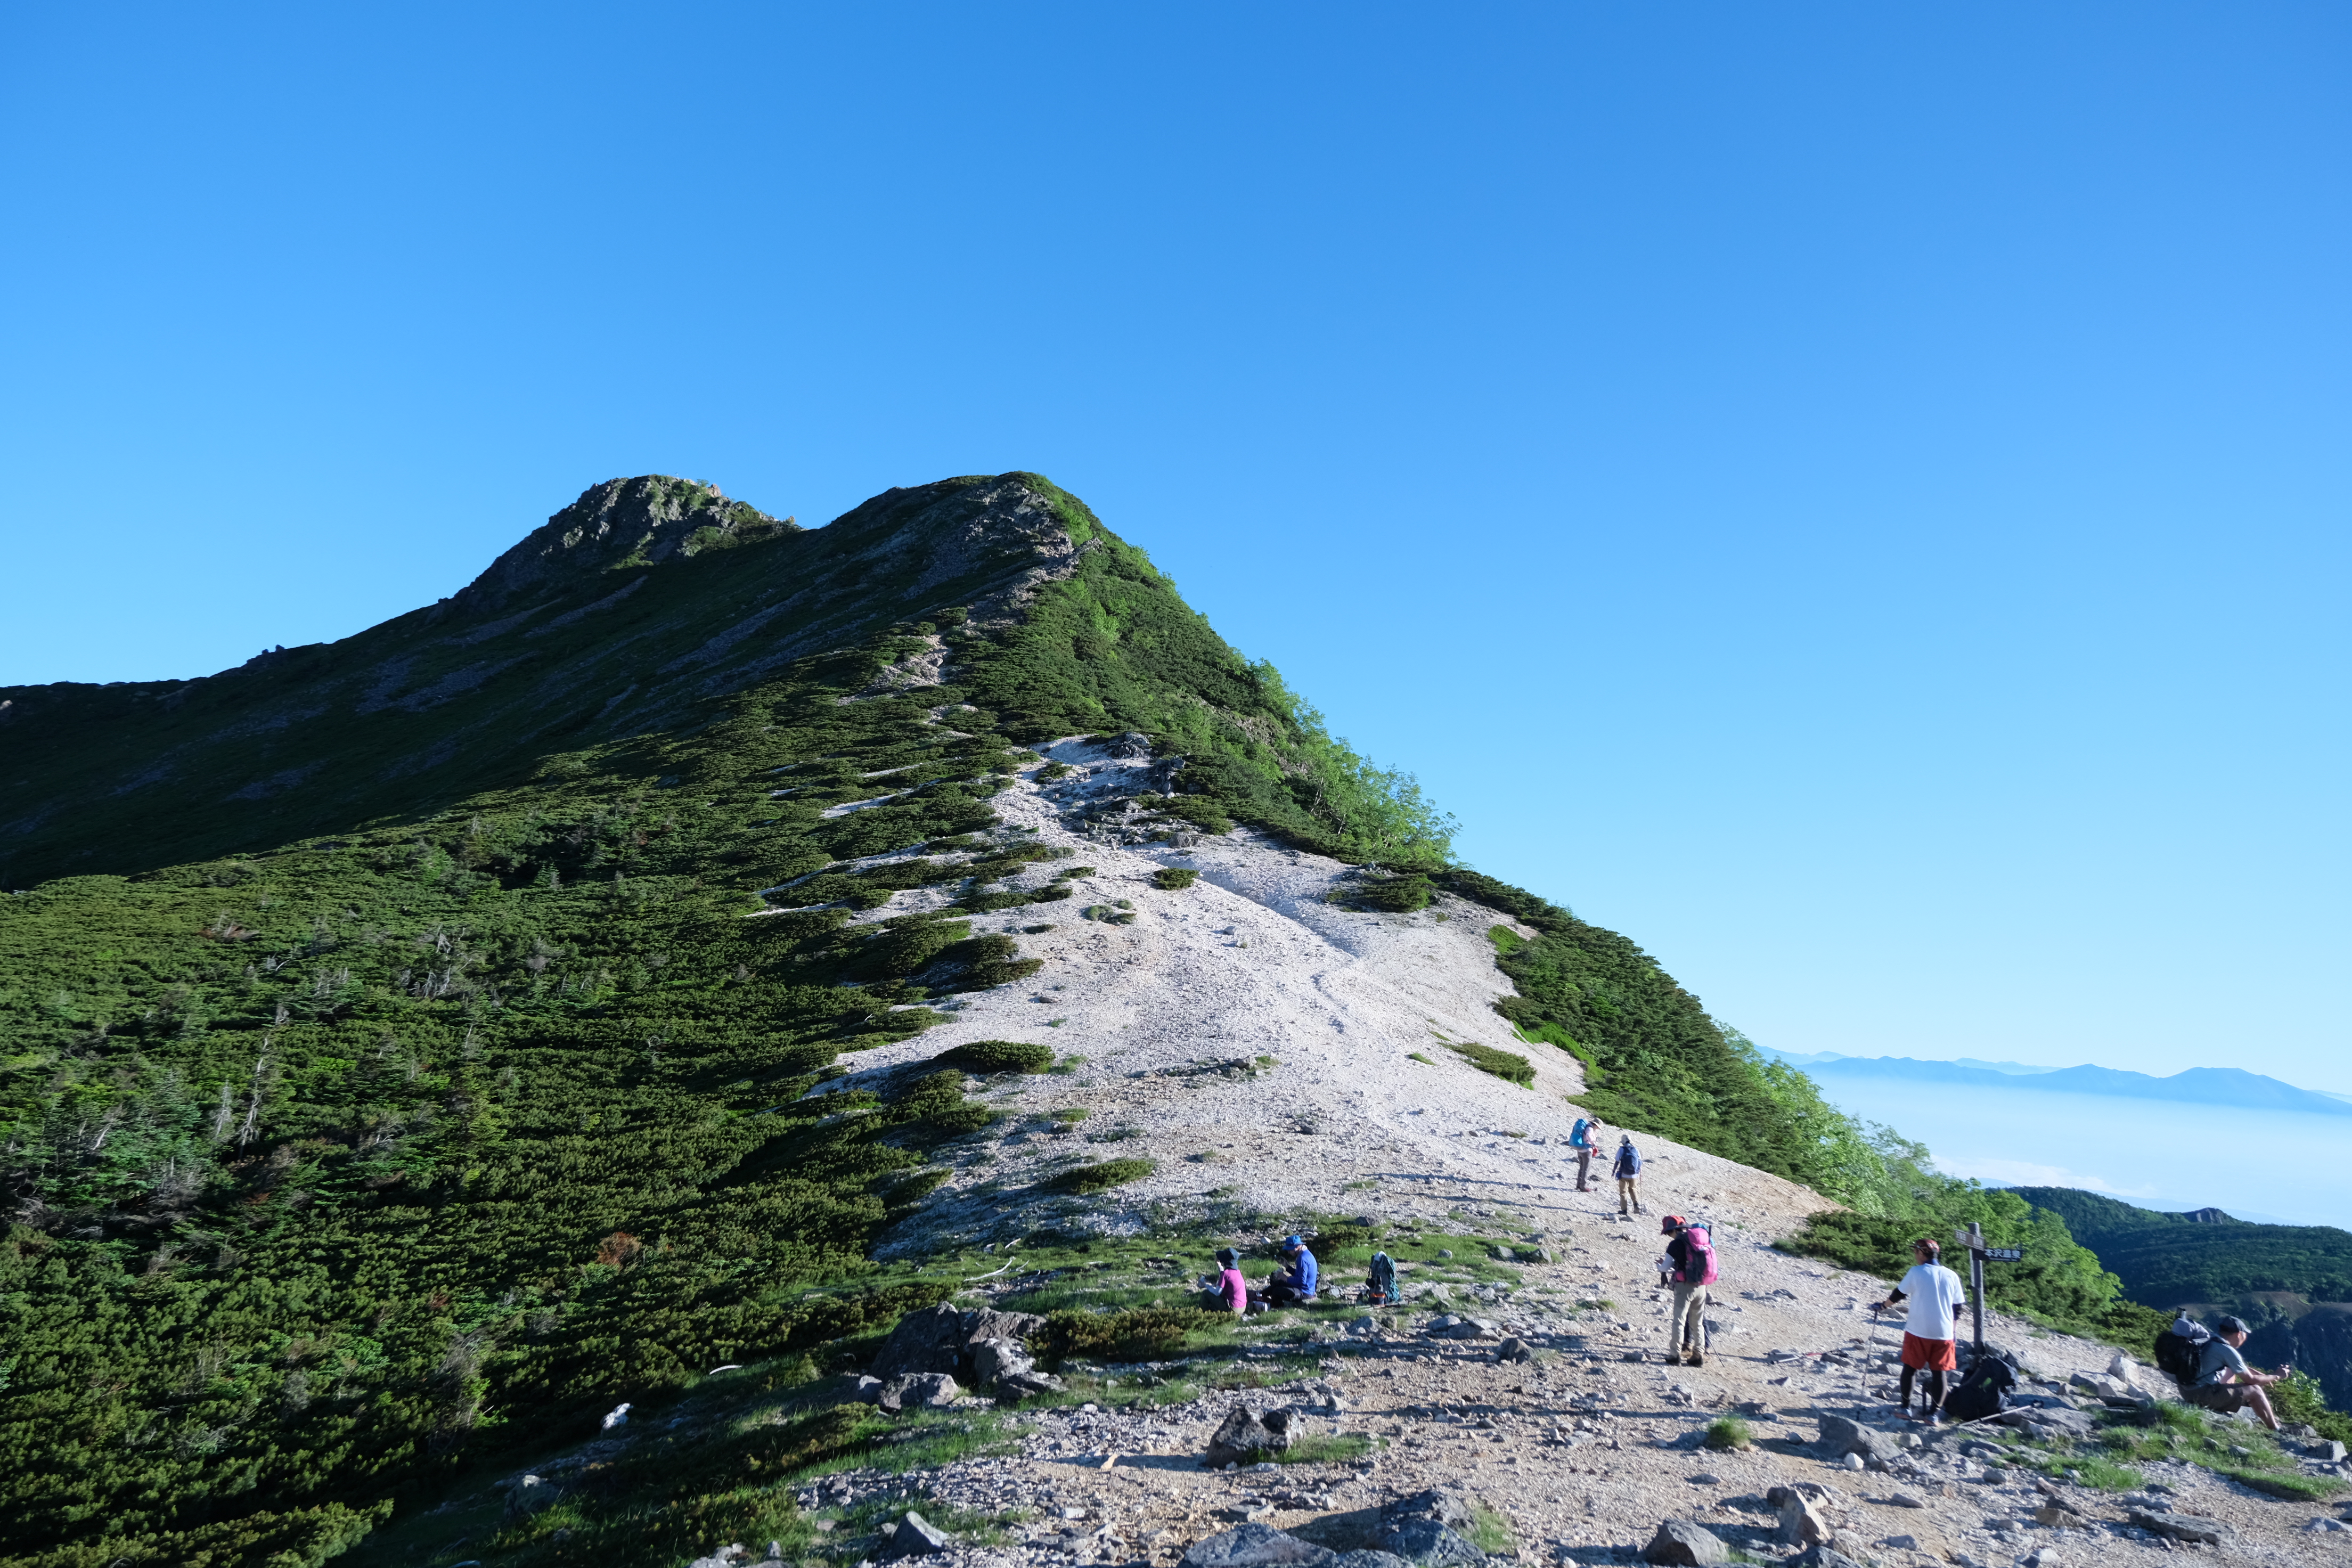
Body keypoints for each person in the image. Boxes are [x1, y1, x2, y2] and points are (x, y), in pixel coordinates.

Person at [1871, 1237, 1966, 1424]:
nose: (1915, 1255)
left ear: (1922, 1253)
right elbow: (1958, 1308)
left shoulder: (1916, 1272)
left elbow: (1899, 1294)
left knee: (1910, 1369)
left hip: (1918, 1330)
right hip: (1945, 1333)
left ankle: (1906, 1408)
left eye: (1915, 1251)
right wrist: (1952, 1331)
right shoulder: (1952, 1275)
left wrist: (1883, 1306)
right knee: (1939, 1374)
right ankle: (1933, 1415)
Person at [2187, 1315, 2286, 1431]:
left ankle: (2228, 1403)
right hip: (2201, 1395)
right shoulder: (2227, 1350)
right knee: (2255, 1390)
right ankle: (2275, 1429)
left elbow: (2239, 1367)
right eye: (2245, 1335)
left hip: (2187, 1390)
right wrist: (2277, 1376)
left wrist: (2264, 1377)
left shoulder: (2210, 1338)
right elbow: (2251, 1380)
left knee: (2232, 1373)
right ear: (2239, 1334)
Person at [1660, 1215, 1714, 1366]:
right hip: (1702, 1286)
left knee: (1679, 1320)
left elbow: (1665, 1267)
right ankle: (1698, 1356)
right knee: (1697, 1323)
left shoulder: (1675, 1244)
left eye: (1668, 1233)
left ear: (1673, 1231)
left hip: (1684, 1286)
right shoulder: (1699, 1241)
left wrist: (1660, 1267)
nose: (1668, 1236)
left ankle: (1674, 1355)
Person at [1262, 1235, 1319, 1307]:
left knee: (1277, 1291)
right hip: (1302, 1288)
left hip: (1305, 1293)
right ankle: (1260, 1295)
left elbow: (1302, 1281)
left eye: (1290, 1250)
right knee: (1279, 1283)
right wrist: (1287, 1266)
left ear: (1297, 1247)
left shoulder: (1303, 1259)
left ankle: (1277, 1308)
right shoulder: (1305, 1254)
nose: (1289, 1252)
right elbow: (1298, 1274)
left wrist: (1286, 1278)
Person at [1206, 1247, 1248, 1318]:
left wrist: (1207, 1286)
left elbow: (1217, 1293)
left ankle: (1205, 1315)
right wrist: (1219, 1265)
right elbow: (1226, 1275)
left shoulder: (1225, 1274)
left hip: (1233, 1309)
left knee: (1206, 1294)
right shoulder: (1238, 1272)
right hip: (1243, 1308)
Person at [1613, 1134, 1645, 1215]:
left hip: (1624, 1174)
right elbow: (1639, 1162)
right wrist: (1637, 1173)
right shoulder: (1636, 1149)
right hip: (1634, 1175)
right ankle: (1636, 1205)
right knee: (1633, 1189)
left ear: (1623, 1142)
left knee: (1623, 1192)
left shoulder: (1621, 1149)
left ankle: (1624, 1210)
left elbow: (1617, 1161)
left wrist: (1614, 1171)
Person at [1570, 1115, 1599, 1192]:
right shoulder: (1590, 1129)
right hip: (1586, 1151)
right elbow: (1589, 1136)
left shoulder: (1587, 1127)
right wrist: (1593, 1144)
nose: (1597, 1129)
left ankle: (1579, 1185)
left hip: (1580, 1150)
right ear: (1596, 1125)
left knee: (1582, 1168)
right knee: (1586, 1169)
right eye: (1598, 1127)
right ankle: (1583, 1186)